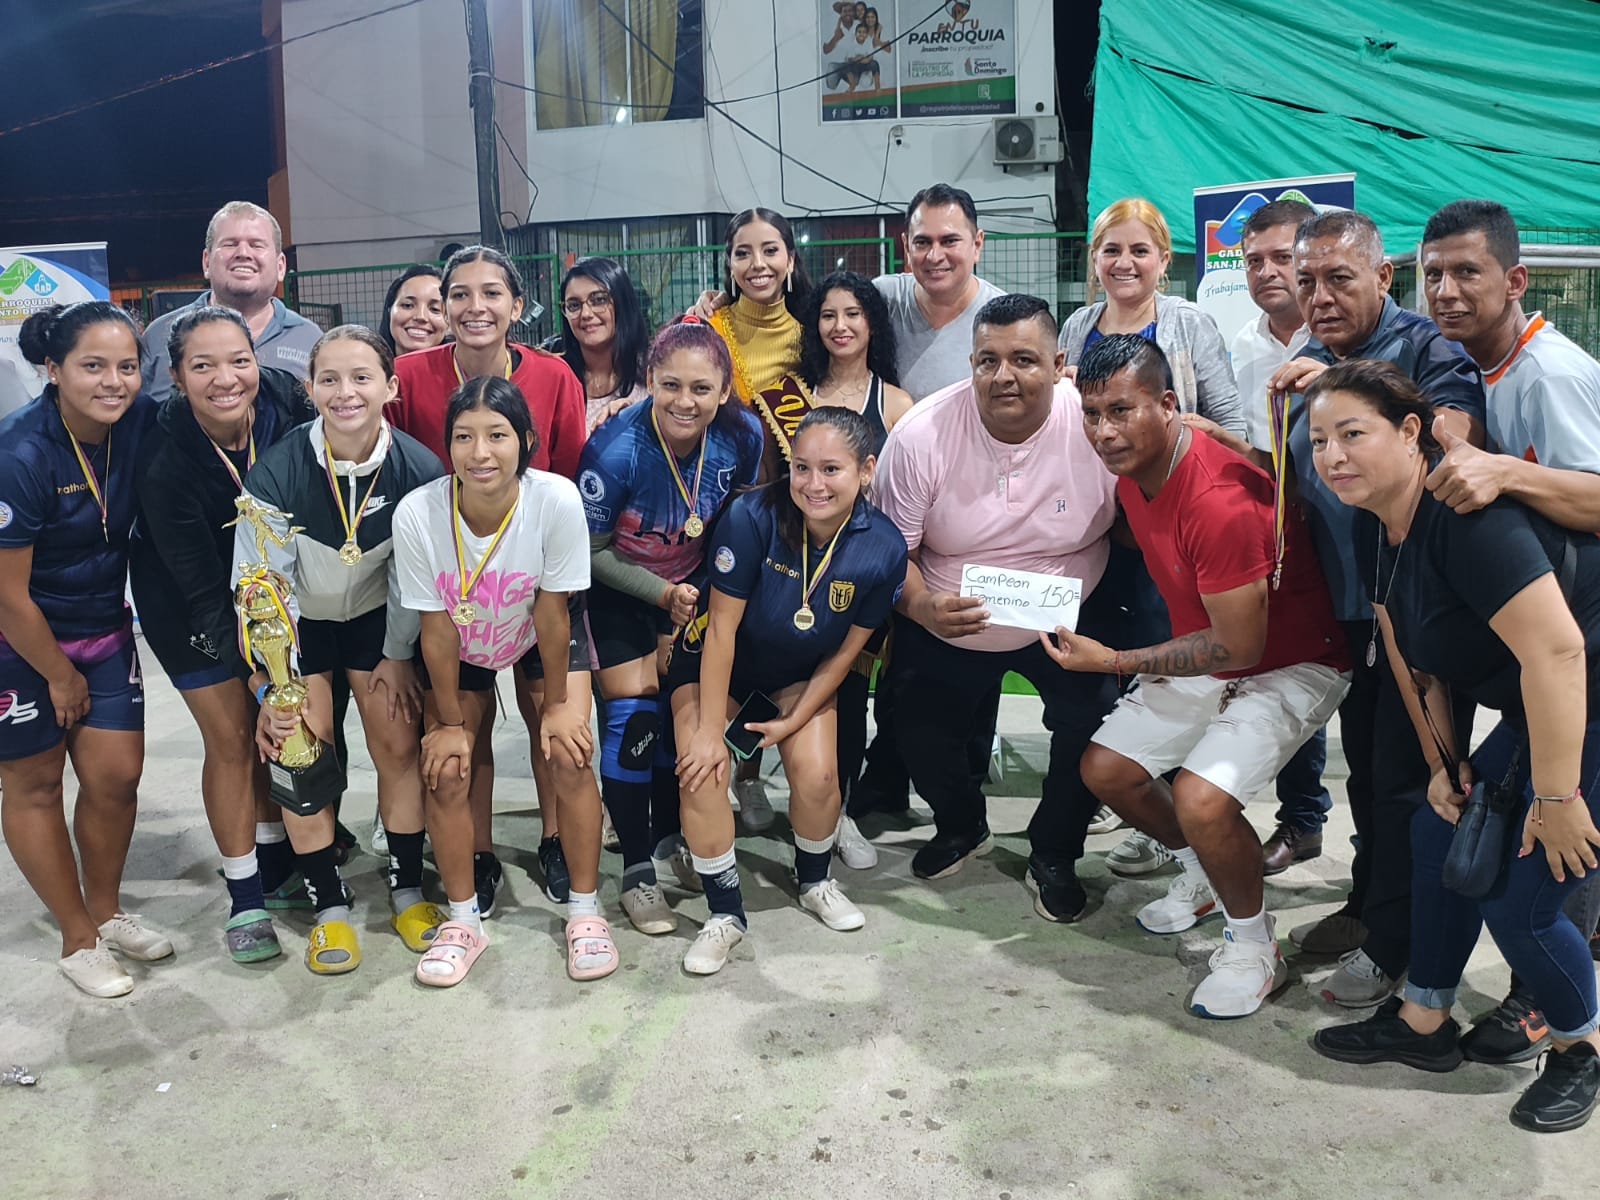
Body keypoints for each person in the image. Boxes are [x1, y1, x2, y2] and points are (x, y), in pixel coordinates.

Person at [1306, 359, 1600, 1134]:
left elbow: (1558, 652)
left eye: (1352, 434)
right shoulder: (1378, 521)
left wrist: (1557, 797)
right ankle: (1424, 1020)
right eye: (1319, 441)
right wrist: (1445, 764)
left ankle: (1581, 1049)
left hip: (1588, 696)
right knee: (1436, 833)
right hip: (1547, 707)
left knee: (1524, 902)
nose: (1333, 456)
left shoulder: (1468, 519)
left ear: (1411, 432)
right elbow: (1411, 657)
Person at [1059, 334, 1349, 1019]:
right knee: (1107, 770)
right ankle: (1203, 874)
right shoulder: (1135, 469)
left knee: (1201, 798)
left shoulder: (1218, 499)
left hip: (1293, 659)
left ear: (1167, 405)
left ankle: (1254, 947)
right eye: (1092, 413)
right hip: (1219, 647)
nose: (1104, 431)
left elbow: (1240, 644)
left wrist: (1116, 661)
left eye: (1121, 411)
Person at [1266, 208, 1487, 1004]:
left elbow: (1454, 430)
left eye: (1339, 279)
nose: (1319, 297)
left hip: (1418, 608)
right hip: (1350, 612)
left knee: (1411, 782)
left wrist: (1343, 391)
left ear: (1384, 277)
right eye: (1307, 282)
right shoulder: (1310, 356)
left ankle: (1400, 946)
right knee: (1366, 773)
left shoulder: (1425, 348)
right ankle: (1368, 908)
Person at [1415, 198, 1600, 1063]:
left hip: (1584, 654)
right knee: (1467, 830)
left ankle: (1553, 1014)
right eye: (1434, 275)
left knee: (1553, 853)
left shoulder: (1550, 374)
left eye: (1468, 272)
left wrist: (1503, 472)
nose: (1447, 290)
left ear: (1516, 280)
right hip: (1548, 655)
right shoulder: (1478, 366)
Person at [873, 294, 1119, 920]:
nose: (1004, 375)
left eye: (1024, 359)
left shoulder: (1095, 425)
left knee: (1094, 722)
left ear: (1059, 365)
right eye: (988, 360)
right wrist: (921, 605)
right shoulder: (921, 435)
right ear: (972, 363)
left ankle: (1055, 850)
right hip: (949, 614)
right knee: (914, 725)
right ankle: (961, 825)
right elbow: (890, 553)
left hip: (1067, 614)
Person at [130, 306, 353, 971]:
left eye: (238, 360)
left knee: (289, 731)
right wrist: (257, 682)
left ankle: (284, 863)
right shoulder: (164, 457)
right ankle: (244, 898)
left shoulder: (286, 402)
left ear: (258, 360)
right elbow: (204, 592)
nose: (225, 379)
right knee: (232, 736)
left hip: (279, 592)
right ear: (176, 377)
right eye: (203, 366)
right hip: (188, 605)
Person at [667, 406, 908, 974]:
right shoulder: (751, 517)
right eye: (802, 468)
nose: (813, 484)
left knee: (820, 775)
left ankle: (815, 881)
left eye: (831, 469)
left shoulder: (885, 547)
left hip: (798, 675)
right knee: (702, 771)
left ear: (866, 471)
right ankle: (725, 914)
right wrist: (710, 733)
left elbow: (845, 655)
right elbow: (721, 632)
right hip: (717, 668)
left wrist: (794, 722)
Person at [234, 325, 445, 967]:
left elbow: (416, 578)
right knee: (302, 756)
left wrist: (398, 654)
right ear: (310, 389)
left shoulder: (420, 469)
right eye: (329, 379)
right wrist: (277, 681)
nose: (345, 392)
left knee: (398, 746)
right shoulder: (277, 470)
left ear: (391, 387)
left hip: (378, 625)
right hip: (302, 630)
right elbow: (260, 585)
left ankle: (407, 889)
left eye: (361, 377)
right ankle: (329, 905)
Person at [390, 244, 588, 912]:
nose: (475, 307)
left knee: (549, 720)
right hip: (449, 586)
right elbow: (392, 466)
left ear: (517, 305)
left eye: (492, 293)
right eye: (460, 294)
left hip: (532, 578)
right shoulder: (406, 377)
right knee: (460, 732)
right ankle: (477, 851)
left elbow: (566, 468)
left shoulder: (554, 376)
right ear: (443, 305)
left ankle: (555, 837)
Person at [392, 375, 600, 985]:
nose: (479, 453)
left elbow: (553, 612)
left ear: (526, 441)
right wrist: (449, 724)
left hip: (540, 629)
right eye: (464, 437)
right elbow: (434, 628)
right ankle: (463, 922)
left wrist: (558, 705)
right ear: (447, 444)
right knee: (447, 768)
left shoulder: (555, 500)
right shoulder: (418, 513)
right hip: (460, 636)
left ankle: (585, 911)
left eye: (497, 435)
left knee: (569, 752)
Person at [0, 302, 172, 998]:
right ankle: (77, 938)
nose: (113, 382)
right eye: (93, 366)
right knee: (36, 785)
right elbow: (8, 596)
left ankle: (106, 910)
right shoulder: (19, 453)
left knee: (116, 777)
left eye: (126, 367)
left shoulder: (135, 424)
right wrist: (58, 675)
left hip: (103, 626)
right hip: (19, 640)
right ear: (54, 369)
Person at [577, 320, 763, 935]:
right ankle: (636, 871)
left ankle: (669, 841)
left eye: (702, 389)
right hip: (620, 589)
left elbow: (735, 523)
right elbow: (591, 552)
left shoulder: (743, 435)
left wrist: (701, 595)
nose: (686, 401)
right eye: (671, 385)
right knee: (635, 714)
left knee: (676, 714)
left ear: (724, 390)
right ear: (650, 381)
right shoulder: (614, 452)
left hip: (694, 589)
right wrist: (661, 595)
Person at [1182, 198, 1334, 879]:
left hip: (1345, 533)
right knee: (1280, 667)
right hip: (1274, 539)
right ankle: (1298, 819)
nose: (1268, 272)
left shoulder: (1342, 342)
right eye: (1253, 261)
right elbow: (1253, 450)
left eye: (1283, 258)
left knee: (1337, 681)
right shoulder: (1242, 343)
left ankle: (1323, 828)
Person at [797, 270, 912, 868]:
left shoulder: (896, 403)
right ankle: (776, 794)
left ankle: (839, 812)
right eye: (827, 315)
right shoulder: (793, 395)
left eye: (852, 314)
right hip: (794, 569)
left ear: (872, 324)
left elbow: (907, 495)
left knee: (848, 694)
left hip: (862, 571)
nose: (839, 326)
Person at [1058, 197, 1244, 433]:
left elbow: (1230, 422)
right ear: (1095, 259)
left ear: (1163, 260)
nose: (1124, 263)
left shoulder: (1189, 323)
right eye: (1112, 250)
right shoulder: (1076, 327)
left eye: (1140, 251)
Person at [142, 201, 322, 403]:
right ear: (206, 262)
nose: (243, 253)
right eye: (230, 244)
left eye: (256, 245)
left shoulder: (310, 340)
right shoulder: (159, 337)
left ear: (280, 266)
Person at [558, 257, 650, 430]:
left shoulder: (652, 374)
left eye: (599, 300)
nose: (586, 314)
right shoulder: (556, 379)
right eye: (574, 305)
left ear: (622, 302)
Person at [379, 265, 448, 357]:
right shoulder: (367, 363)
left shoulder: (462, 366)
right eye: (408, 305)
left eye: (435, 309)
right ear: (389, 309)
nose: (421, 316)